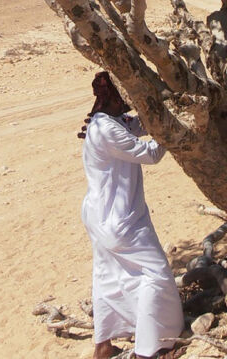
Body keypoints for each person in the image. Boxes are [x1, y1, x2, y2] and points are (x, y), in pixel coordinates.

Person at [79, 71, 185, 359]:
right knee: (156, 274)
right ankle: (150, 349)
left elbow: (137, 125)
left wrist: (161, 113)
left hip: (99, 216)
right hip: (119, 219)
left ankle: (102, 346)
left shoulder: (108, 122)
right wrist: (172, 131)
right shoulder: (108, 130)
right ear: (116, 96)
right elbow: (149, 154)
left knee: (107, 276)